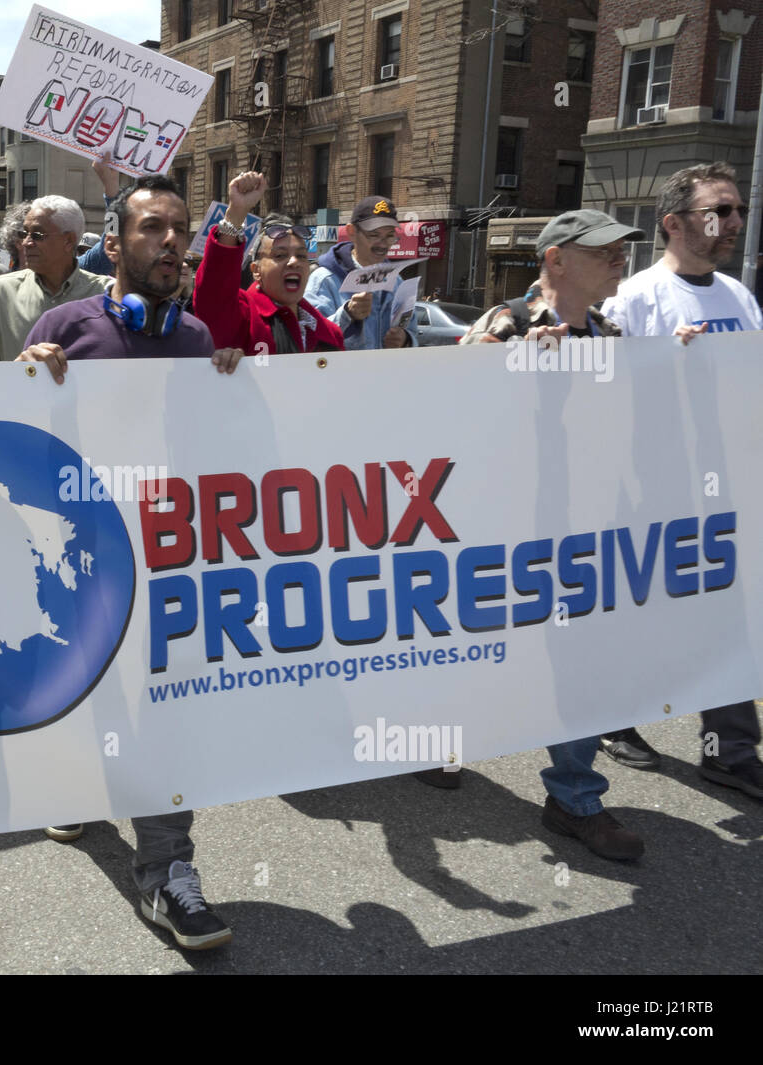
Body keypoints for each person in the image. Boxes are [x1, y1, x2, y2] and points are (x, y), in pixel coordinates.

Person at [19, 175, 242, 948]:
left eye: (179, 228)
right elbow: (13, 434)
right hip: (75, 558)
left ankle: (167, 874)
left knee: (160, 713)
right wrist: (29, 371)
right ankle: (83, 780)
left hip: (165, 559)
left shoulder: (197, 342)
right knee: (91, 692)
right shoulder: (62, 325)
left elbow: (215, 454)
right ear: (113, 245)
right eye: (152, 227)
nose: (171, 241)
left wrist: (231, 392)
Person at [460, 208, 647, 859]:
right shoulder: (506, 321)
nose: (619, 259)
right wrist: (505, 364)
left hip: (584, 530)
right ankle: (430, 741)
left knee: (582, 662)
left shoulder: (615, 333)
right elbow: (441, 405)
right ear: (556, 259)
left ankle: (575, 796)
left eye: (623, 249)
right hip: (503, 528)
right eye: (604, 250)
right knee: (475, 651)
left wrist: (691, 358)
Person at [600, 162, 763, 798]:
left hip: (726, 487)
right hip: (651, 486)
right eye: (717, 211)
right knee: (645, 610)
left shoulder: (739, 296)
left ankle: (728, 750)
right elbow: (600, 386)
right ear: (672, 223)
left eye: (738, 209)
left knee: (727, 616)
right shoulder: (639, 296)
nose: (733, 222)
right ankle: (615, 719)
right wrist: (663, 362)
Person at [194, 171, 344, 356]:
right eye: (280, 255)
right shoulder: (243, 319)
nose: (294, 262)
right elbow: (214, 293)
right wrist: (236, 213)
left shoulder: (330, 334)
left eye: (302, 256)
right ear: (256, 271)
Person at [0, 195, 108, 361]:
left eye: (37, 235)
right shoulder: (1, 292)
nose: (27, 242)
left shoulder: (106, 294)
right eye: (24, 234)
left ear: (69, 240)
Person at [305, 195, 418, 349]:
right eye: (374, 235)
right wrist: (347, 315)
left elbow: (412, 331)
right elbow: (308, 337)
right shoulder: (325, 279)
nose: (382, 244)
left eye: (390, 236)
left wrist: (405, 340)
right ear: (352, 231)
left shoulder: (397, 282)